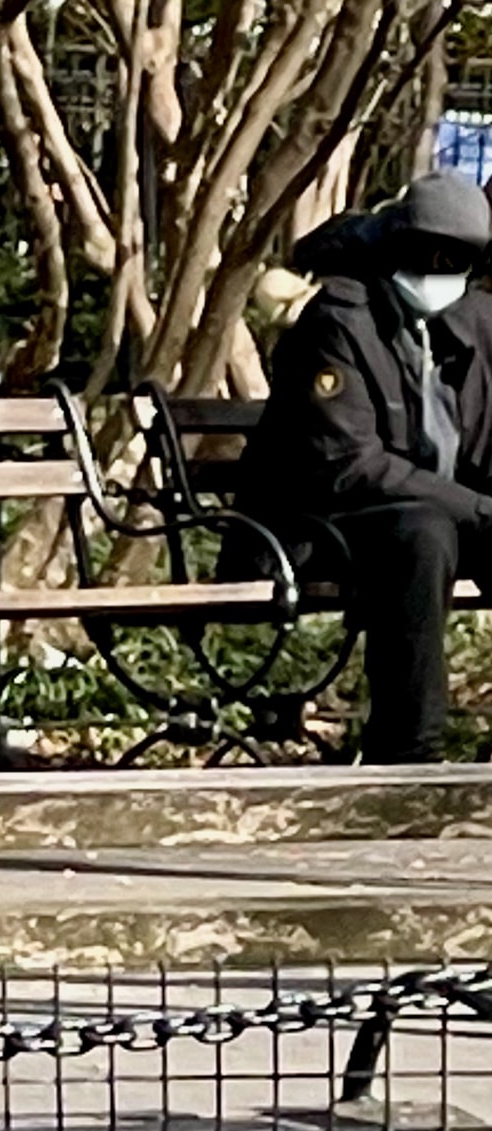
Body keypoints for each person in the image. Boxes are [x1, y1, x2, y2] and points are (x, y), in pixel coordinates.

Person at [243, 171, 492, 763]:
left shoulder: (462, 321)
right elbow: (350, 465)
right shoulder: (339, 321)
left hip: (432, 513)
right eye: (440, 258)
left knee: (435, 526)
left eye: (462, 263)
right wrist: (477, 508)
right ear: (403, 246)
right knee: (422, 535)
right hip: (322, 526)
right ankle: (409, 754)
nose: (449, 274)